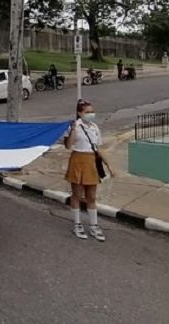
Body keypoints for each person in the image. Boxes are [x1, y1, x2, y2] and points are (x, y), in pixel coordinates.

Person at [63, 99, 113, 242]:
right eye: (87, 112)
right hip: (78, 160)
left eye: (92, 111)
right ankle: (77, 224)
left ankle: (94, 225)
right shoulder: (75, 126)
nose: (91, 114)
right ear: (80, 113)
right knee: (77, 195)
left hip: (92, 162)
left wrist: (109, 164)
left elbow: (99, 148)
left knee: (91, 197)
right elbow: (68, 145)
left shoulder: (95, 128)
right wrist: (72, 130)